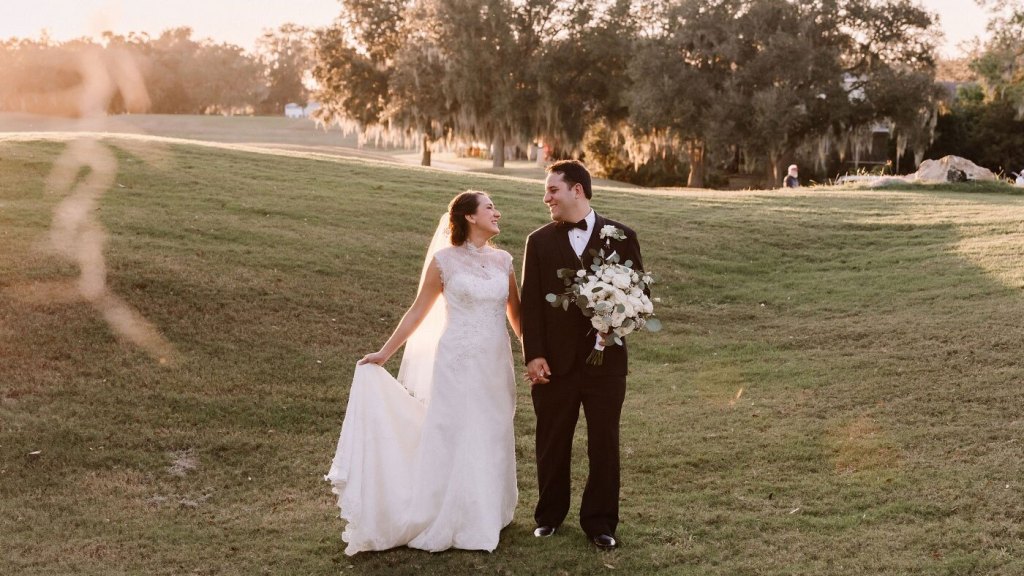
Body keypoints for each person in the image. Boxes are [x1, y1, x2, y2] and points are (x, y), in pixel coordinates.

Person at [325, 191, 521, 555]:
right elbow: (418, 311)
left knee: (492, 430)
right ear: (470, 217)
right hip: (456, 360)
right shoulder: (444, 261)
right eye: (490, 207)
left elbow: (516, 315)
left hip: (495, 363)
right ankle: (447, 514)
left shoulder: (504, 261)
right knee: (456, 432)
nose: (497, 213)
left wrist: (534, 355)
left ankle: (485, 512)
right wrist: (384, 353)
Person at [520, 160, 645, 550]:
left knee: (604, 442)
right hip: (554, 364)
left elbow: (640, 297)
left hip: (607, 363)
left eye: (552, 190)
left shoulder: (622, 237)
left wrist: (618, 321)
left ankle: (600, 522)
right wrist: (533, 354)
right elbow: (530, 306)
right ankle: (549, 517)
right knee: (552, 440)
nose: (547, 198)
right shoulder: (538, 242)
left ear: (577, 190)